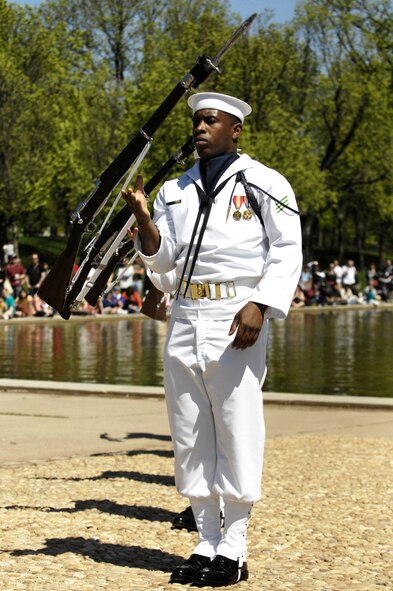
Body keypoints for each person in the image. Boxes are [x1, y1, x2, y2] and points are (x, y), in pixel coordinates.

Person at [123, 91, 302, 587]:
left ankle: (235, 548)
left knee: (236, 426)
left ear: (235, 129)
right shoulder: (173, 191)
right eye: (197, 121)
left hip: (235, 313)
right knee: (190, 430)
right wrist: (142, 220)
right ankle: (205, 541)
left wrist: (261, 304)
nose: (200, 128)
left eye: (211, 120)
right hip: (186, 313)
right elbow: (163, 269)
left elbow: (287, 249)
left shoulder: (265, 182)